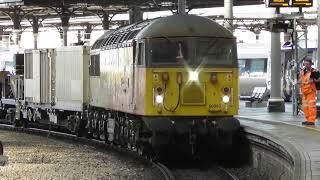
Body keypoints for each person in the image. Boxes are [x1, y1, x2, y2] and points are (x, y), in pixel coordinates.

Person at [300, 57, 319, 125]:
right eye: (305, 64)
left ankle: (311, 120)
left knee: (311, 106)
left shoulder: (314, 71)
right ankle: (308, 119)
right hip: (304, 92)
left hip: (311, 91)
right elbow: (303, 81)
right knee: (305, 107)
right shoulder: (303, 71)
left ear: (311, 64)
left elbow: (318, 79)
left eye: (307, 64)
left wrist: (313, 80)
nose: (306, 65)